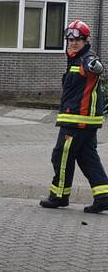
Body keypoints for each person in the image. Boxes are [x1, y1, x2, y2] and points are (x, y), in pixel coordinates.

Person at [40, 19, 108, 213]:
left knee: (61, 156)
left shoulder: (86, 58)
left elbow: (95, 66)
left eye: (77, 40)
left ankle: (59, 196)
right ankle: (104, 197)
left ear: (85, 41)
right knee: (87, 158)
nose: (72, 43)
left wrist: (95, 65)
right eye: (69, 40)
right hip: (85, 122)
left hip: (77, 121)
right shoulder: (73, 59)